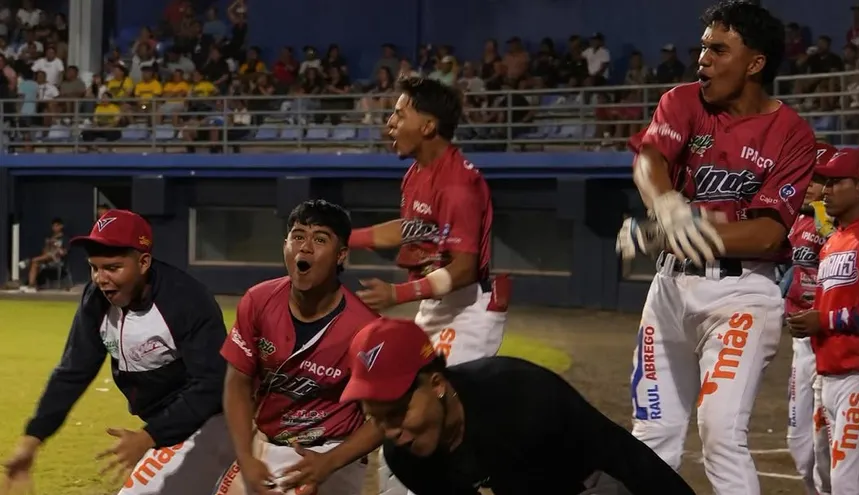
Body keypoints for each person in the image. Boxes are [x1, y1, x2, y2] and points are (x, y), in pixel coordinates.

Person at [615, 2, 815, 494]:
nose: (702, 58)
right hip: (668, 290)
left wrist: (685, 229)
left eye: (719, 50)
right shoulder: (683, 100)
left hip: (741, 295)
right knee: (652, 433)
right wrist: (667, 207)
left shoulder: (792, 134)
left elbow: (768, 234)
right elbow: (649, 159)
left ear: (755, 63)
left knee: (721, 433)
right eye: (703, 47)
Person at [347, 75, 509, 495]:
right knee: (404, 411)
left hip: (468, 309)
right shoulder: (418, 172)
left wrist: (397, 294)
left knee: (429, 416)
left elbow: (463, 269)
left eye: (399, 114)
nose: (390, 122)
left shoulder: (458, 183)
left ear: (428, 125)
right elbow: (410, 228)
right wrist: (345, 237)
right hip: (437, 307)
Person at [1, 209, 235, 495]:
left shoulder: (186, 300)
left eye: (112, 268)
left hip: (214, 420)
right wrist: (32, 439)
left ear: (143, 262)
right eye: (94, 268)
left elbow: (213, 385)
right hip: (168, 425)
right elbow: (74, 371)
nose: (101, 279)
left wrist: (150, 437)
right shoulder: (96, 299)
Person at [340, 317, 696, 495]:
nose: (392, 432)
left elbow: (630, 462)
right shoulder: (405, 455)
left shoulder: (521, 398)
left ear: (437, 384)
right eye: (377, 418)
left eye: (398, 412)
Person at [217, 200, 382, 495]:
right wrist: (245, 456)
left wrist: (330, 462)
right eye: (297, 236)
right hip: (266, 444)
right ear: (285, 245)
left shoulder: (366, 329)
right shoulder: (258, 301)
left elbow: (386, 417)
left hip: (334, 452)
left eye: (320, 239)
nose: (305, 248)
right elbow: (237, 383)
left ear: (341, 254)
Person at [788, 148, 859, 495]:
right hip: (828, 373)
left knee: (850, 484)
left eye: (835, 182)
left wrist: (823, 320)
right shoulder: (833, 241)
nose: (825, 190)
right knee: (823, 476)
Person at [780, 142, 837, 494]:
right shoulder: (794, 218)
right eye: (806, 177)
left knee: (827, 442)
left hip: (834, 339)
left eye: (818, 179)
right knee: (799, 442)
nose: (809, 185)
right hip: (802, 342)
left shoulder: (843, 224)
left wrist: (830, 227)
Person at [17, 217, 67, 293]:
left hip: (57, 259)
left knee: (37, 259)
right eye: (53, 226)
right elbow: (44, 252)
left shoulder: (65, 238)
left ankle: (28, 261)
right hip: (46, 257)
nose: (55, 228)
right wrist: (48, 244)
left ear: (61, 226)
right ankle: (31, 286)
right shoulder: (50, 237)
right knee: (35, 263)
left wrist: (56, 246)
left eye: (57, 226)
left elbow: (64, 253)